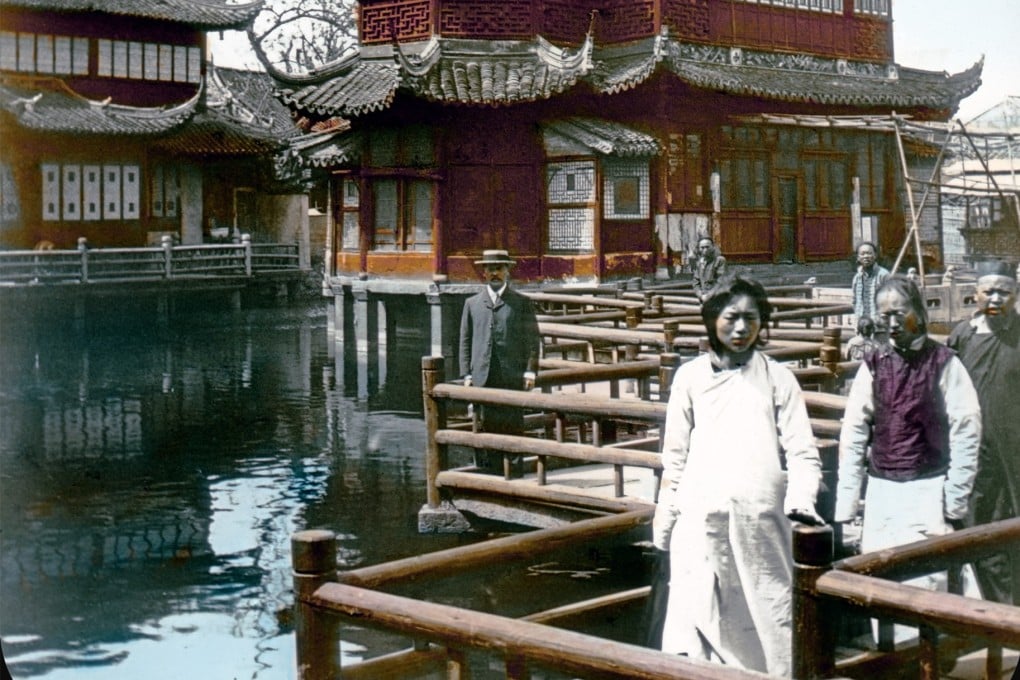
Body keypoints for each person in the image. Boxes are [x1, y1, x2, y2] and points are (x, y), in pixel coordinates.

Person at [652, 275, 823, 676]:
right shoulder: (690, 377)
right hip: (700, 518)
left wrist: (801, 499)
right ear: (713, 319)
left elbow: (802, 452)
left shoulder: (778, 379)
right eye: (731, 318)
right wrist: (665, 525)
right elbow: (673, 457)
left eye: (751, 318)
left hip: (759, 519)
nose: (742, 329)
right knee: (698, 617)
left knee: (766, 612)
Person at [834, 275, 982, 642]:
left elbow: (967, 429)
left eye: (900, 313)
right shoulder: (873, 364)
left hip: (929, 491)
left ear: (918, 311)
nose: (893, 323)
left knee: (929, 586)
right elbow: (853, 434)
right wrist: (847, 506)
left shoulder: (944, 363)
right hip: (884, 493)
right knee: (884, 582)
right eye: (884, 316)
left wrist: (955, 497)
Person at [947, 260, 1020, 605]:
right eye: (988, 291)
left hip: (1015, 448)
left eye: (1003, 292)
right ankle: (990, 607)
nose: (995, 298)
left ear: (1016, 295)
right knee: (977, 520)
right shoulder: (962, 335)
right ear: (974, 294)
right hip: (974, 448)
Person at [459, 249, 540, 474]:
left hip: (511, 375)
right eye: (490, 268)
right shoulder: (472, 304)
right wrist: (466, 374)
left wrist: (530, 371)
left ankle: (514, 473)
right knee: (485, 424)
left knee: (513, 423)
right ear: (483, 272)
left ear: (507, 271)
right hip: (482, 376)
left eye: (499, 268)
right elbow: (465, 342)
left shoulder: (521, 303)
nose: (494, 273)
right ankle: (490, 471)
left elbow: (533, 341)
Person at [850, 241, 890, 324]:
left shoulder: (884, 275)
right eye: (862, 254)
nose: (866, 256)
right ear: (858, 257)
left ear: (875, 255)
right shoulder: (857, 278)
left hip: (880, 325)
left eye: (869, 253)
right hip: (862, 325)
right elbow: (854, 301)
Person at [691, 236, 727, 302]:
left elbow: (721, 281)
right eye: (702, 247)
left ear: (713, 247)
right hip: (703, 297)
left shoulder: (719, 260)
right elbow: (695, 282)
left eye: (707, 247)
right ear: (699, 249)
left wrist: (709, 295)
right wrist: (700, 294)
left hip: (716, 297)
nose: (705, 250)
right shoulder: (700, 262)